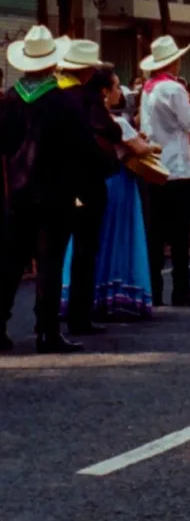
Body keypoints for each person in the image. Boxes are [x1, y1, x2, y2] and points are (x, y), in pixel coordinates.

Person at [0, 26, 103, 353]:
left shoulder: (10, 98)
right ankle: (47, 331)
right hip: (55, 194)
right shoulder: (62, 101)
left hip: (18, 194)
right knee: (49, 263)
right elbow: (84, 149)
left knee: (12, 263)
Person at [60, 68, 157, 319]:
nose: (118, 92)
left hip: (89, 182)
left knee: (89, 241)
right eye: (115, 87)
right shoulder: (112, 120)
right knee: (108, 238)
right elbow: (139, 147)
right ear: (105, 91)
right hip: (114, 181)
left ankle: (82, 299)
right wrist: (149, 144)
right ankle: (104, 297)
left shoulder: (77, 107)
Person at [56, 39, 123, 336]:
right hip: (84, 183)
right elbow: (109, 130)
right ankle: (79, 317)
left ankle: (47, 316)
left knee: (53, 252)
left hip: (55, 182)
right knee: (84, 250)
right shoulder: (85, 99)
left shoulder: (50, 94)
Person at [140, 36, 190, 307]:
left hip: (155, 165)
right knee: (180, 232)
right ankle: (181, 289)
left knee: (156, 232)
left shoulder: (148, 89)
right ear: (173, 61)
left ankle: (154, 288)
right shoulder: (174, 89)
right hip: (178, 165)